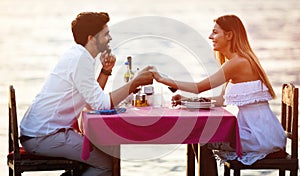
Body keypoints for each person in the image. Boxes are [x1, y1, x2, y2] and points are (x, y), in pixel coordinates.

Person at [20, 12, 153, 176]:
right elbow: (102, 105)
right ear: (92, 38)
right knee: (107, 165)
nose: (110, 38)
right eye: (105, 34)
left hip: (40, 133)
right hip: (43, 137)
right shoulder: (80, 59)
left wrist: (105, 71)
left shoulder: (78, 55)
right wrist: (135, 83)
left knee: (102, 157)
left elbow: (91, 102)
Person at [151, 14, 286, 175]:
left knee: (201, 137)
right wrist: (187, 100)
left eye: (215, 32)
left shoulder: (237, 62)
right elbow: (222, 100)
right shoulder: (236, 61)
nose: (210, 36)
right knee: (200, 135)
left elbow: (198, 87)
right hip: (259, 131)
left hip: (258, 136)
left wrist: (162, 79)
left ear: (229, 35)